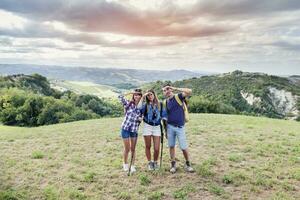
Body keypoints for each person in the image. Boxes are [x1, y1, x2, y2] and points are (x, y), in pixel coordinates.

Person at [162, 84, 194, 173]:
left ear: (171, 89)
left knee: (183, 147)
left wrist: (175, 88)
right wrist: (165, 130)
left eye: (167, 89)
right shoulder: (165, 102)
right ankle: (173, 164)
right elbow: (165, 118)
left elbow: (189, 91)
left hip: (180, 127)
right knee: (171, 146)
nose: (166, 91)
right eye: (164, 90)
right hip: (170, 127)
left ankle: (188, 164)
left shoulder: (178, 97)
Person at [118, 88, 143, 173]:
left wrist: (141, 119)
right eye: (135, 94)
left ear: (141, 96)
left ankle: (132, 165)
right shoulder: (129, 103)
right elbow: (120, 96)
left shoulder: (142, 107)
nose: (137, 96)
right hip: (125, 128)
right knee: (127, 148)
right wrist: (131, 92)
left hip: (134, 130)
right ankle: (125, 164)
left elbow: (143, 117)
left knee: (133, 148)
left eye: (138, 94)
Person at [137, 89, 162, 171]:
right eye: (148, 95)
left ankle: (155, 162)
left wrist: (165, 128)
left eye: (151, 94)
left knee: (157, 148)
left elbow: (164, 115)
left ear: (154, 94)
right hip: (147, 126)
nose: (150, 96)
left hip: (157, 127)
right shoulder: (145, 105)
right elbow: (138, 108)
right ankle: (150, 162)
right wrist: (143, 97)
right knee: (148, 146)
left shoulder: (160, 104)